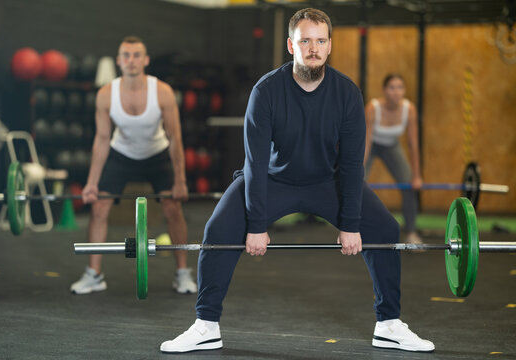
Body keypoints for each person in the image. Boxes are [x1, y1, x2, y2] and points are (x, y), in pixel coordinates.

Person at [160, 9, 434, 354]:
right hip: (273, 179)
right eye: (305, 40)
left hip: (327, 182)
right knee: (218, 230)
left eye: (320, 41)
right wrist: (256, 225)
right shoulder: (266, 91)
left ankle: (389, 323)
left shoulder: (347, 94)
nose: (313, 48)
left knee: (383, 229)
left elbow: (352, 165)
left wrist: (350, 224)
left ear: (330, 46)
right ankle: (205, 324)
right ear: (291, 45)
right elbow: (256, 163)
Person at [70, 36, 197, 295]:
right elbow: (103, 139)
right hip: (121, 154)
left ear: (146, 60)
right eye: (126, 55)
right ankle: (94, 275)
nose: (131, 60)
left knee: (173, 207)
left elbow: (175, 138)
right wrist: (92, 183)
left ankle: (182, 273)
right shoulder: (106, 94)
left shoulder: (162, 92)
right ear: (118, 61)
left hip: (157, 153)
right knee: (99, 206)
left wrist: (180, 181)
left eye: (136, 55)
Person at [364, 74, 423, 244]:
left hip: (392, 147)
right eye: (392, 87)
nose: (396, 92)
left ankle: (411, 232)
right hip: (371, 145)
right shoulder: (373, 108)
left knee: (408, 184)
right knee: (359, 184)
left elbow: (413, 145)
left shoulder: (409, 109)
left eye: (400, 88)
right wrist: (358, 172)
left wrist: (417, 176)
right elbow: (366, 143)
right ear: (384, 90)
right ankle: (355, 230)